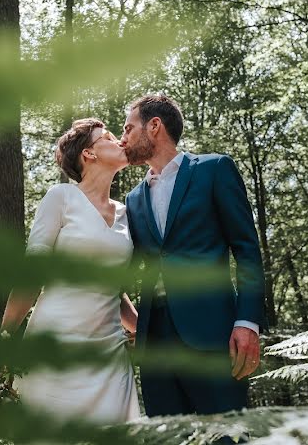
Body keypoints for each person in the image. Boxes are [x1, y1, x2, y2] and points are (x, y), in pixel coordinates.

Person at [120, 94, 267, 416]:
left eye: (129, 128)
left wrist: (247, 322)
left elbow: (246, 250)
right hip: (153, 343)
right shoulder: (133, 199)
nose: (123, 138)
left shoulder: (214, 169)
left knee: (226, 435)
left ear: (154, 126)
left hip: (212, 334)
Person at [0, 118, 140, 425]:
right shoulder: (60, 197)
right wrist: (4, 336)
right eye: (109, 137)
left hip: (110, 353)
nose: (121, 141)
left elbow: (113, 291)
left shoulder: (127, 213)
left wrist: (145, 330)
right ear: (89, 154)